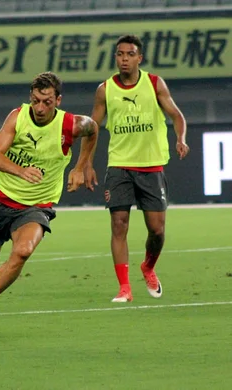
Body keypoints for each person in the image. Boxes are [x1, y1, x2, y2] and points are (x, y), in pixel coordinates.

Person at [0, 71, 99, 331]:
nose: (40, 107)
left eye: (47, 101)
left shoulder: (70, 125)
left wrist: (81, 166)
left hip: (36, 206)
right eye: (36, 100)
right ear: (30, 98)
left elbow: (93, 129)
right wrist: (21, 171)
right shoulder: (17, 117)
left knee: (22, 252)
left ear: (58, 100)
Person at [77, 34, 189, 302]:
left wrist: (181, 138)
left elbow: (176, 115)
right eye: (119, 54)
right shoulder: (105, 90)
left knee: (157, 230)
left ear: (139, 58)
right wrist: (86, 164)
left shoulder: (154, 83)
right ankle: (124, 288)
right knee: (119, 224)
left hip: (151, 166)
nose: (124, 59)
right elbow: (91, 129)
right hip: (119, 166)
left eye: (129, 54)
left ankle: (148, 267)